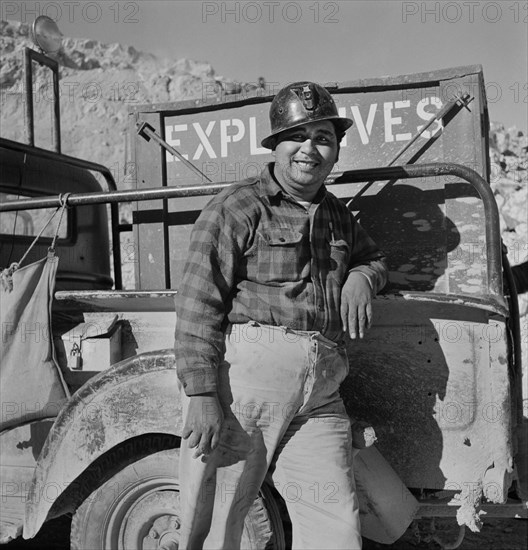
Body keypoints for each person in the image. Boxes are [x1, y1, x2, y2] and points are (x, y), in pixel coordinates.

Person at [174, 81, 388, 550]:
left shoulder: (337, 215)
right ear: (276, 145)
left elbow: (374, 258)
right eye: (298, 136)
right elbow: (198, 298)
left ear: (335, 151)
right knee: (219, 520)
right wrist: (203, 392)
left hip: (323, 390)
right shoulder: (240, 205)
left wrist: (362, 277)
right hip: (249, 386)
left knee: (336, 521)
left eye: (324, 138)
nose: (310, 148)